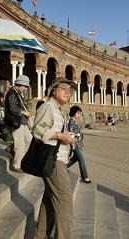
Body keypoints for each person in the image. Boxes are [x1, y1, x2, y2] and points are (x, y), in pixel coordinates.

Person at [33, 77, 76, 239]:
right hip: (53, 160)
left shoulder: (58, 110)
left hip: (59, 159)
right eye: (64, 88)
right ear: (53, 90)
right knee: (64, 201)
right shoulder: (48, 106)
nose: (68, 92)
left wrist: (67, 139)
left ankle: (40, 235)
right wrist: (60, 136)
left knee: (50, 201)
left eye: (70, 91)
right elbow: (37, 131)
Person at [4, 75, 32, 172]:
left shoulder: (18, 93)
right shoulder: (12, 93)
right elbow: (13, 109)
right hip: (15, 122)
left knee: (29, 140)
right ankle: (16, 165)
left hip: (21, 122)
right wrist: (23, 112)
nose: (25, 88)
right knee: (20, 145)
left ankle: (11, 148)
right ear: (20, 84)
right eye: (24, 86)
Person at [67, 105, 91, 183]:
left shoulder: (74, 121)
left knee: (75, 158)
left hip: (79, 143)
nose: (79, 115)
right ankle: (85, 177)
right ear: (74, 113)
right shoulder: (71, 121)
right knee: (81, 160)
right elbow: (71, 133)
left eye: (79, 113)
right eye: (78, 113)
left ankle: (64, 167)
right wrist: (72, 145)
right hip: (75, 144)